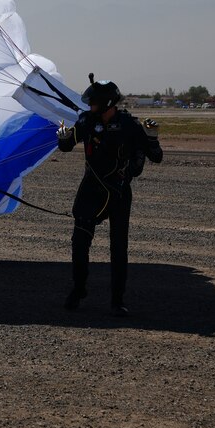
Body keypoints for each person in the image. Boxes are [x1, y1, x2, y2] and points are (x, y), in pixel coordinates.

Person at [57, 76, 162, 316]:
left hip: (118, 192)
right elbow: (66, 145)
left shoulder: (129, 125)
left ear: (106, 103)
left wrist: (152, 138)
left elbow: (156, 156)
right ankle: (78, 289)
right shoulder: (86, 121)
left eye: (94, 102)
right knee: (80, 242)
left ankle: (117, 301)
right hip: (90, 190)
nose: (90, 106)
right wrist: (62, 137)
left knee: (118, 248)